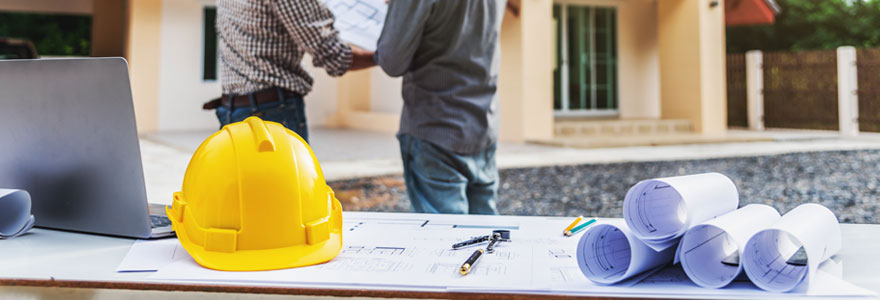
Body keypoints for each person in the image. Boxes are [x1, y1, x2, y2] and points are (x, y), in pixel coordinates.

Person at [374, 1, 506, 215]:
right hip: (484, 123)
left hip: (435, 127)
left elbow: (391, 61)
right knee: (487, 237)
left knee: (444, 243)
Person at [206, 0, 376, 142]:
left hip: (233, 110)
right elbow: (333, 55)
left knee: (245, 182)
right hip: (271, 115)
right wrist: (387, 56)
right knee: (282, 182)